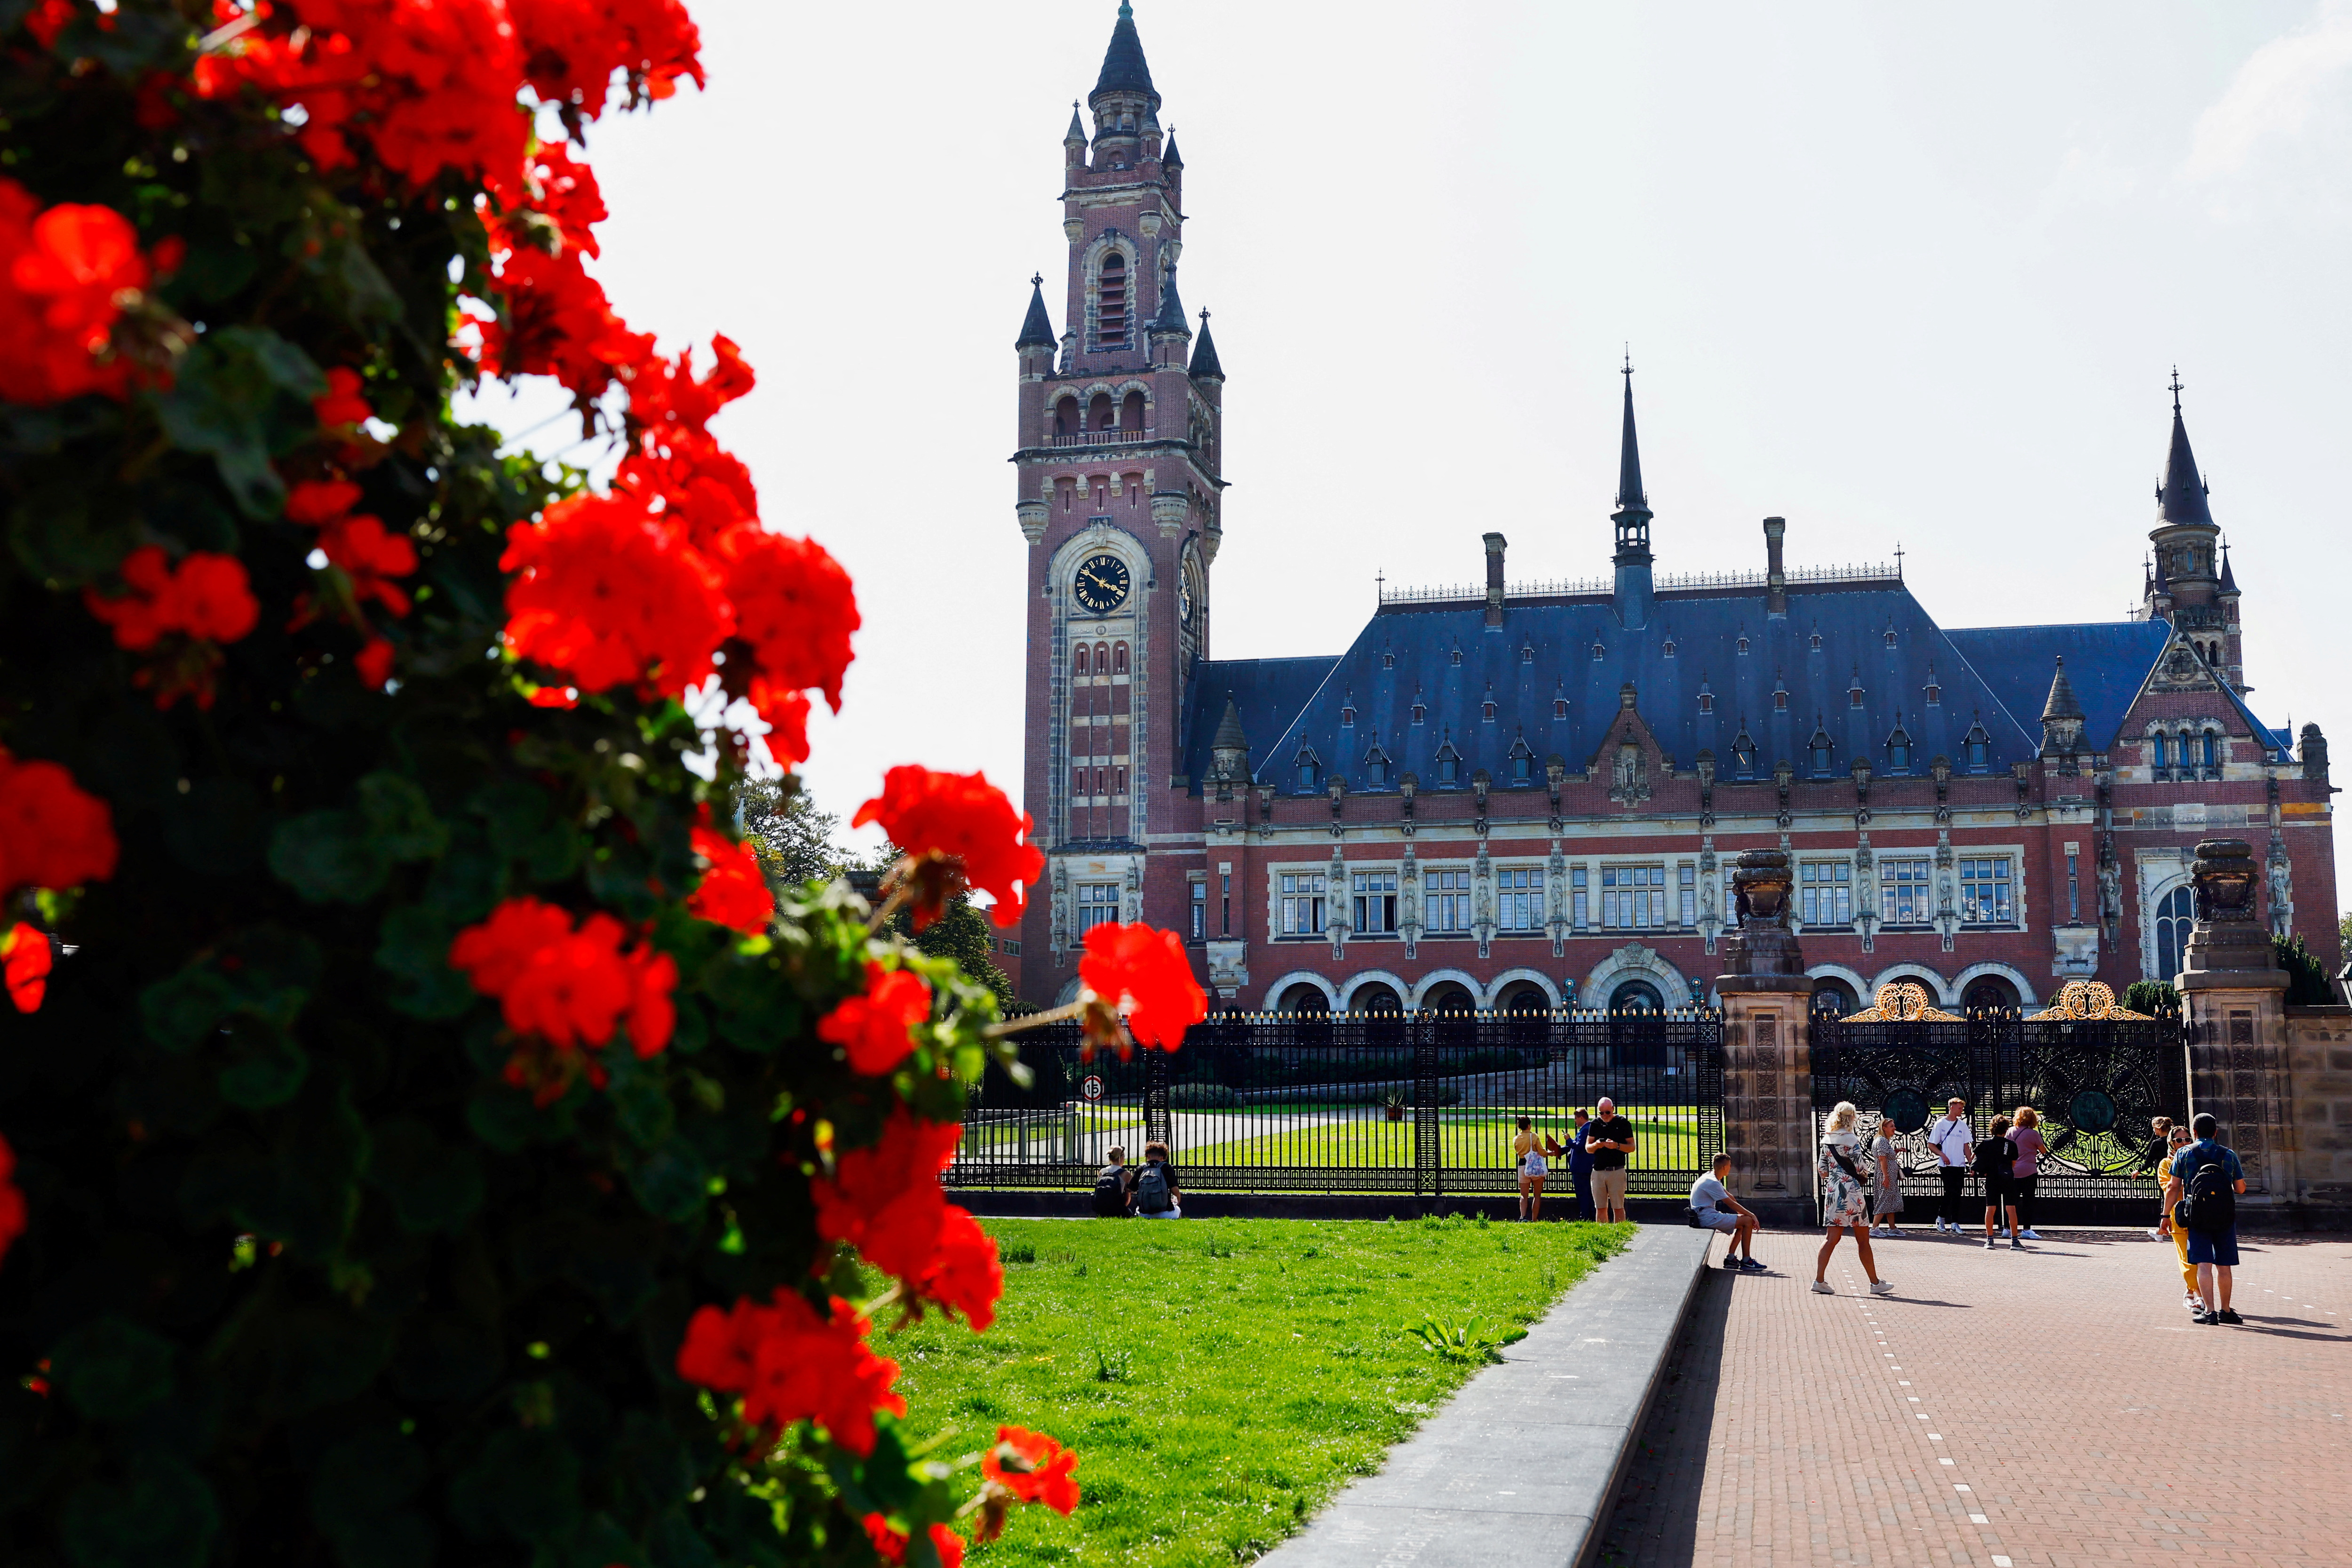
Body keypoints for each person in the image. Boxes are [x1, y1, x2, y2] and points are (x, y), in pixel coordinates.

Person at [2171, 1112, 2246, 1325]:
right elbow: (2240, 1188)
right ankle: (2226, 1310)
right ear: (2216, 1132)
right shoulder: (2228, 1154)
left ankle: (2210, 1312)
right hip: (2224, 1215)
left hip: (2197, 1215)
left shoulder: (2184, 1153)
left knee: (2204, 1264)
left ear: (2194, 1133)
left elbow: (2174, 1186)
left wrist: (2165, 1215)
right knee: (2224, 1265)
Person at [1813, 1101, 1893, 1295]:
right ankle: (1875, 1283)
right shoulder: (1851, 1139)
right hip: (1851, 1193)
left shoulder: (1827, 1140)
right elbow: (1861, 1168)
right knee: (1863, 1240)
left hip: (1833, 1192)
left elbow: (1822, 1170)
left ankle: (1819, 1280)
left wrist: (1834, 1176)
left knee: (1831, 1238)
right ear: (1851, 1118)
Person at [2156, 1120, 2199, 1313]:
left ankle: (2192, 1292)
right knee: (2186, 1258)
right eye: (2179, 1140)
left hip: (2199, 1213)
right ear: (2172, 1143)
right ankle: (2198, 1293)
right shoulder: (2166, 1164)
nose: (2183, 1143)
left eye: (2187, 1139)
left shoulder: (2197, 1160)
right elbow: (2170, 1188)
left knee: (2201, 1258)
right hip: (2180, 1215)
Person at [1692, 1153, 1764, 1270]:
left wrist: (1741, 1215)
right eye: (1730, 1165)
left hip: (1705, 1215)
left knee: (1743, 1222)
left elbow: (1730, 1197)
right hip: (1706, 1218)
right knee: (1748, 1221)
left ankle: (1731, 1259)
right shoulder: (1713, 1182)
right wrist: (1752, 1216)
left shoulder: (1710, 1176)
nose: (1730, 1168)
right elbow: (1730, 1203)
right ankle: (1747, 1261)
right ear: (1725, 1167)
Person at [1975, 1114, 2024, 1250]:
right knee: (2011, 1209)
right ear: (2006, 1129)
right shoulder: (2011, 1145)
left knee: (1990, 1209)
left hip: (1991, 1178)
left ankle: (1990, 1240)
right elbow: (2013, 1164)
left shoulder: (1986, 1143)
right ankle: (2014, 1241)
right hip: (2007, 1178)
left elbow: (1976, 1158)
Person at [1926, 1098, 1973, 1235]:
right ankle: (1941, 1219)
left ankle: (1955, 1223)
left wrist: (1971, 1164)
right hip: (1946, 1165)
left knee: (1957, 1193)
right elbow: (1931, 1144)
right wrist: (1942, 1155)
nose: (1962, 1110)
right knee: (1949, 1192)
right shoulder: (1941, 1124)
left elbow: (1966, 1147)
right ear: (1952, 1107)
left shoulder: (1962, 1126)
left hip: (1959, 1164)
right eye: (1960, 1108)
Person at [1586, 1096, 1635, 1224]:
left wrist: (1617, 1146)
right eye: (1601, 1113)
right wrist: (1597, 1145)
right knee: (1600, 1207)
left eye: (1608, 1112)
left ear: (1613, 1110)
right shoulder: (1595, 1123)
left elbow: (1632, 1147)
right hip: (1598, 1171)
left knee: (1618, 1207)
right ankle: (1603, 1235)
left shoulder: (1623, 1123)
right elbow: (1588, 1148)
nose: (1605, 1115)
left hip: (1616, 1170)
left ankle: (1619, 1233)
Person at [2008, 1106, 2045, 1240]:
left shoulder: (2010, 1131)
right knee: (2028, 1201)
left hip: (2012, 1171)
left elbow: (2006, 1149)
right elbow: (2043, 1151)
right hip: (2029, 1171)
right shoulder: (2033, 1134)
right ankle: (2027, 1229)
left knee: (2012, 1202)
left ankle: (2008, 1228)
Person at [1868, 1111, 1904, 1236]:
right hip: (1885, 1177)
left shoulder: (1882, 1141)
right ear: (1884, 1128)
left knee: (1891, 1201)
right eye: (1892, 1126)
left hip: (1887, 1176)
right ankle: (1874, 1229)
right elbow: (1882, 1159)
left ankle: (1892, 1228)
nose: (1894, 1128)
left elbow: (1886, 1156)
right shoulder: (1882, 1141)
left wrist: (1896, 1151)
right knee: (1884, 1201)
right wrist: (1886, 1177)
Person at [1132, 1140, 1184, 1220]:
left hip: (1144, 1214)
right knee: (1178, 1210)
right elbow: (1174, 1189)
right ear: (1163, 1157)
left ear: (1148, 1155)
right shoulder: (1166, 1167)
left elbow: (1130, 1189)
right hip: (1166, 1212)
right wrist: (1178, 1198)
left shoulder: (1141, 1168)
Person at [1512, 1114, 1547, 1221]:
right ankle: (1534, 1219)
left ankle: (1523, 1217)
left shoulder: (1516, 1138)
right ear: (1528, 1126)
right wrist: (1549, 1153)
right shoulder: (1534, 1136)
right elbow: (1542, 1152)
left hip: (1522, 1165)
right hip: (1535, 1166)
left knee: (1524, 1195)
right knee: (1537, 1195)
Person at [2146, 1116, 2175, 1242]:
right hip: (2178, 1174)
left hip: (2164, 1175)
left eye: (2154, 1128)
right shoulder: (2176, 1141)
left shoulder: (2157, 1143)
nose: (2154, 1131)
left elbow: (2149, 1161)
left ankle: (2161, 1231)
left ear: (2158, 1128)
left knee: (2166, 1201)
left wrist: (2139, 1170)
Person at [1091, 1145, 1132, 1218]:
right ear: (1122, 1157)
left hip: (1101, 1210)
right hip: (1117, 1210)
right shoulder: (1126, 1174)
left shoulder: (1102, 1172)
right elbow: (1127, 1198)